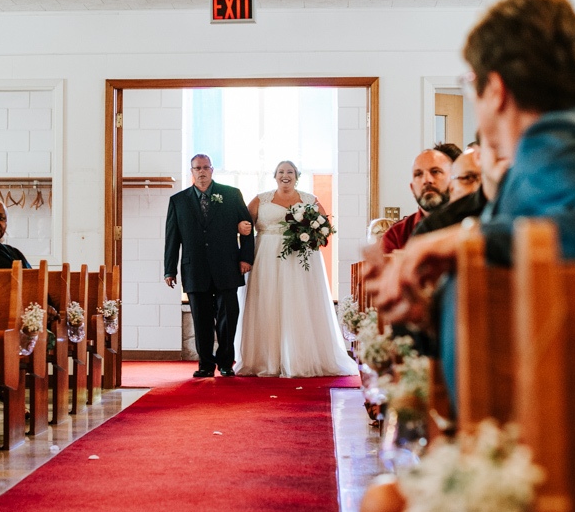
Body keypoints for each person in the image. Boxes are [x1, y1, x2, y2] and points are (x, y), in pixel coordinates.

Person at [369, 0, 575, 396]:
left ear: (495, 89)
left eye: (471, 86)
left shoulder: (556, 143)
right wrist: (433, 312)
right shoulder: (562, 142)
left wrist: (469, 239)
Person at [235, 161, 358, 378]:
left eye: (290, 172)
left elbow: (325, 229)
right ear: (275, 176)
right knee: (267, 303)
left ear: (296, 176)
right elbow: (244, 226)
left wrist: (311, 233)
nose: (285, 175)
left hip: (299, 261)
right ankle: (266, 360)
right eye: (281, 172)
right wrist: (242, 246)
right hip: (266, 259)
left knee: (298, 303)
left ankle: (299, 358)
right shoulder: (261, 199)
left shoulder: (309, 200)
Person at [163, 154, 254, 378]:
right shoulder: (178, 200)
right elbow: (172, 238)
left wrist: (246, 258)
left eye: (205, 168)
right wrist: (169, 269)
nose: (202, 172)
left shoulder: (231, 195)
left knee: (227, 317)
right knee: (201, 320)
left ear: (212, 170)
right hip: (194, 268)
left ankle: (225, 363)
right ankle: (205, 365)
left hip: (227, 266)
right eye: (197, 168)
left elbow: (247, 228)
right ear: (191, 171)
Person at [381, 144, 458, 253]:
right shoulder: (396, 235)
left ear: (453, 182)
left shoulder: (473, 226)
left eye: (435, 171)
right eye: (418, 174)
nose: (426, 180)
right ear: (412, 189)